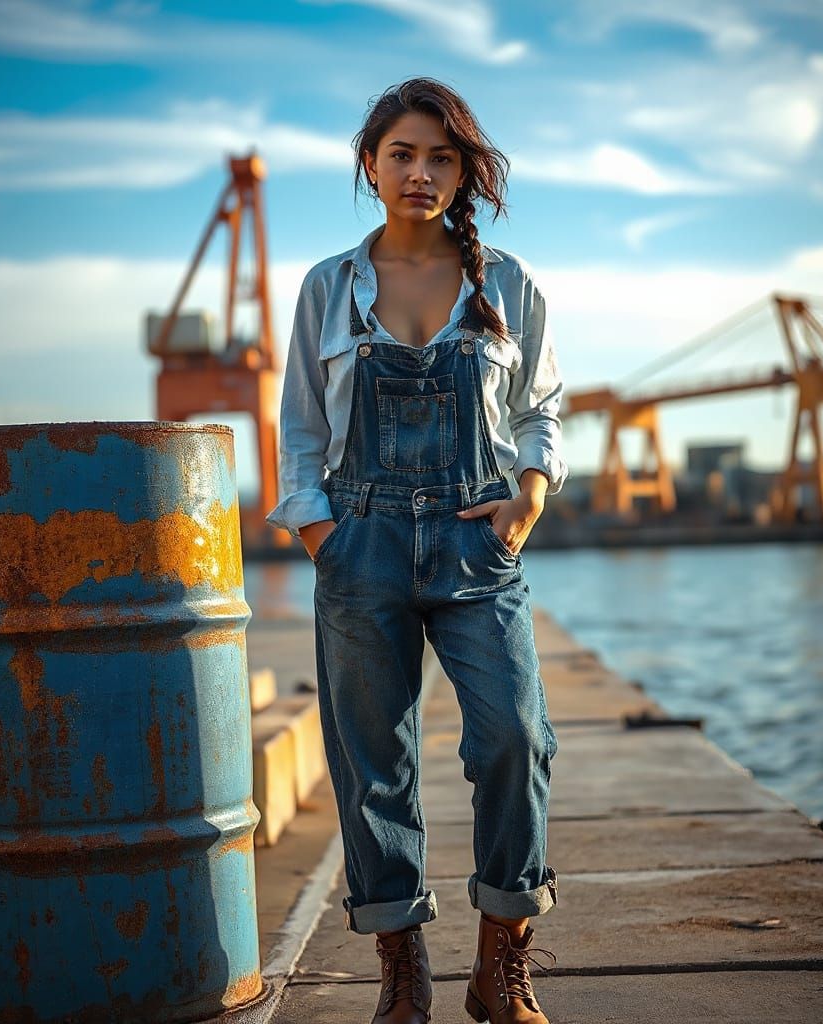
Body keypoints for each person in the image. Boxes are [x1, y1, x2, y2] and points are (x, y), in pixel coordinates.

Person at [266, 77, 567, 1024]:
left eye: (442, 157)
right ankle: (402, 968)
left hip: (478, 547)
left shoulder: (507, 283)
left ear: (464, 171)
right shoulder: (328, 287)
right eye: (402, 154)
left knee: (516, 738)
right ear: (371, 164)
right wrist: (324, 536)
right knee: (372, 763)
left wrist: (530, 495)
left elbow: (541, 408)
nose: (421, 173)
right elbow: (300, 432)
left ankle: (501, 962)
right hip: (363, 544)